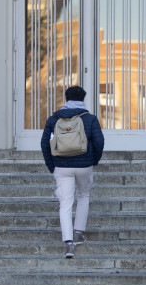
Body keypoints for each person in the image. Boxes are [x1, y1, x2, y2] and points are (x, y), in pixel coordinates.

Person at [40, 86, 104, 259]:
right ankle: (78, 233)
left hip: (61, 166)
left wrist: (52, 166)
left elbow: (45, 144)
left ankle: (68, 243)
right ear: (83, 99)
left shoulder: (54, 119)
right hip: (84, 164)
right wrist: (93, 160)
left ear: (66, 99)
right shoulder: (89, 118)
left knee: (65, 203)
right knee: (83, 196)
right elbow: (99, 141)